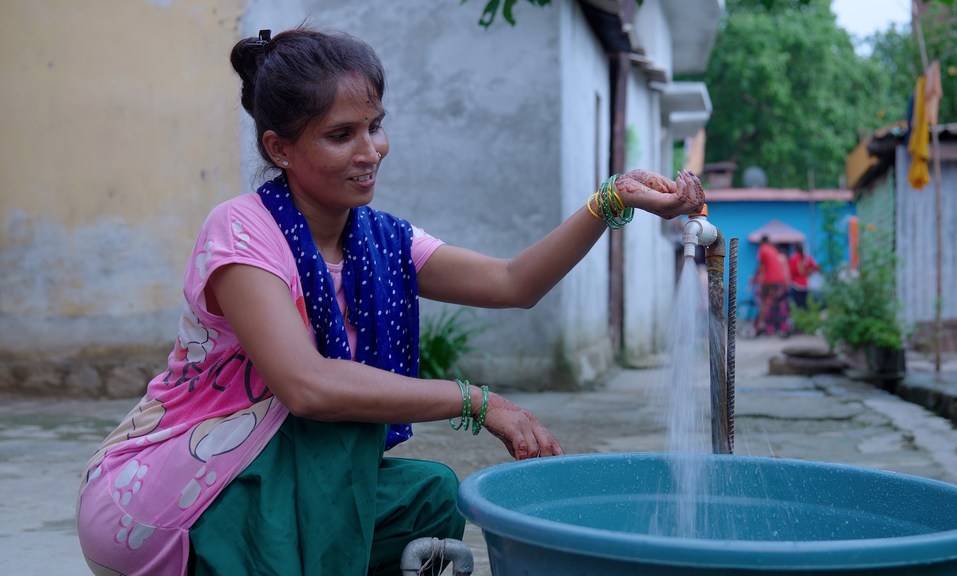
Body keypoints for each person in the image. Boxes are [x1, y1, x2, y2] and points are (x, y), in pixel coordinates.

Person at [75, 26, 707, 576]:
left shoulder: (382, 240)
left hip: (278, 478)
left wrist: (611, 200)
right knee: (343, 428)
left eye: (375, 127)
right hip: (174, 498)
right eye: (340, 135)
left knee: (431, 496)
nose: (369, 151)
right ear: (278, 149)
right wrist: (476, 401)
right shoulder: (241, 233)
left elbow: (514, 283)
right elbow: (308, 388)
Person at [753, 235, 789, 337]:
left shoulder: (762, 249)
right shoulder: (773, 249)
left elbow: (761, 266)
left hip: (769, 279)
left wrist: (755, 278)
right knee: (774, 302)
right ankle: (774, 325)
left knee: (763, 301)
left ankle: (761, 324)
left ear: (761, 242)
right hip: (779, 279)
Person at [788, 243, 819, 309]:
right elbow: (816, 268)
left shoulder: (793, 258)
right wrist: (809, 272)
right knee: (805, 305)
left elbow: (790, 272)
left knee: (798, 306)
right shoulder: (808, 258)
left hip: (796, 285)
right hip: (806, 285)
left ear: (795, 249)